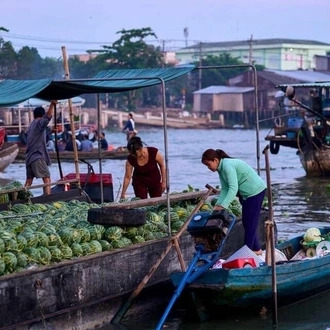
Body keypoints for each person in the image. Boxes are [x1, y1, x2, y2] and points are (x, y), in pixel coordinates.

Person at [201, 148, 266, 255]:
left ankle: (248, 253)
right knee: (247, 223)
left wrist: (224, 205)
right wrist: (218, 204)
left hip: (255, 192)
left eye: (208, 164)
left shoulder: (227, 166)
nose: (208, 168)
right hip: (246, 194)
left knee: (250, 224)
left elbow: (233, 188)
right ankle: (257, 250)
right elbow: (225, 188)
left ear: (216, 160)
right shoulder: (221, 169)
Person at [24, 100, 57, 195]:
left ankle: (20, 199)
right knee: (47, 178)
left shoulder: (32, 125)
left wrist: (51, 132)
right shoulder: (39, 123)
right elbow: (48, 117)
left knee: (28, 181)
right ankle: (47, 199)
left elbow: (38, 136)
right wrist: (52, 105)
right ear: (41, 115)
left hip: (29, 157)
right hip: (37, 155)